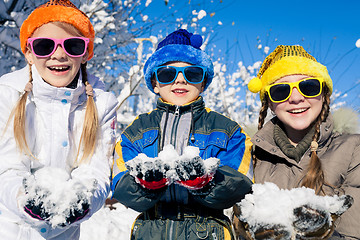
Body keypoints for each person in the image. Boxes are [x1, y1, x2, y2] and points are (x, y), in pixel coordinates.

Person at [111, 29, 253, 240]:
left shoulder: (227, 130)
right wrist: (148, 185)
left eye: (192, 73)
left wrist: (205, 182)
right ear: (155, 83)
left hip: (208, 231)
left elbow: (241, 183)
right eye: (167, 74)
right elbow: (120, 183)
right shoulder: (136, 130)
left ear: (203, 82)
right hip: (150, 231)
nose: (179, 80)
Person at [0, 0, 118, 239]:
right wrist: (25, 198)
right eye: (45, 46)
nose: (59, 55)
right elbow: (6, 168)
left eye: (73, 45)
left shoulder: (101, 104)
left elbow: (96, 170)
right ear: (29, 54)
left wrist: (82, 201)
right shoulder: (7, 94)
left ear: (84, 54)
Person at [236, 45, 359, 239]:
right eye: (280, 91)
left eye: (308, 87)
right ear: (269, 102)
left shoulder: (354, 150)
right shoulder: (249, 155)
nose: (296, 98)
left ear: (324, 93)